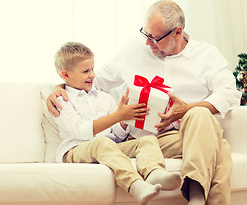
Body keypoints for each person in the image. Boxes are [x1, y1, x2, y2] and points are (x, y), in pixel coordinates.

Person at [47, 0, 241, 205]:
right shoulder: (134, 49)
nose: (148, 43)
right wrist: (59, 88)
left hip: (189, 131)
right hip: (147, 138)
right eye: (145, 34)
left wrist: (186, 110)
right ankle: (197, 198)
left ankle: (196, 195)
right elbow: (94, 84)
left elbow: (229, 93)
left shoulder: (206, 55)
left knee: (200, 115)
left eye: (155, 38)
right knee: (220, 146)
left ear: (177, 32)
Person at [53, 42, 182, 205]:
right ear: (66, 75)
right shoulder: (61, 100)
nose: (92, 75)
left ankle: (154, 172)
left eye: (93, 69)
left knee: (146, 140)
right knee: (100, 142)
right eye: (86, 71)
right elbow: (81, 131)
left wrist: (123, 120)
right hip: (75, 150)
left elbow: (116, 136)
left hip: (108, 147)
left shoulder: (104, 98)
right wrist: (116, 116)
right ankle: (135, 185)